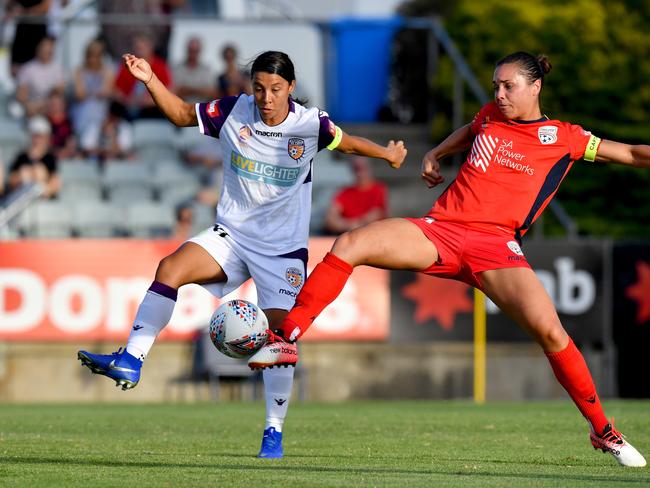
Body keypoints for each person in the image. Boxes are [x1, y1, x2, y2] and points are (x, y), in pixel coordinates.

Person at [260, 51, 649, 468]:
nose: (499, 94)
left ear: (535, 87)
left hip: (496, 246)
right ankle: (287, 337)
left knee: (553, 335)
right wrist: (436, 154)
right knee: (351, 243)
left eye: (509, 86)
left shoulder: (564, 137)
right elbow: (470, 128)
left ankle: (602, 430)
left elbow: (628, 153)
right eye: (495, 85)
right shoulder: (489, 115)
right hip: (438, 230)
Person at [77, 50, 406, 459]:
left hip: (282, 250)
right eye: (259, 88)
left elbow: (348, 144)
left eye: (275, 89)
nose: (266, 98)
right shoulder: (234, 111)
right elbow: (181, 114)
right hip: (231, 234)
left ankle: (273, 431)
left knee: (281, 337)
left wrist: (388, 155)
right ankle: (131, 358)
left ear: (291, 89)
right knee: (171, 267)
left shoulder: (309, 123)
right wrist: (149, 80)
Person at [113, 33, 173, 119]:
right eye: (137, 48)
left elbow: (169, 90)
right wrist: (126, 100)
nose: (139, 51)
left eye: (142, 48)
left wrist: (147, 101)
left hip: (151, 110)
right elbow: (116, 90)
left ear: (150, 47)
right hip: (128, 107)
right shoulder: (127, 65)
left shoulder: (160, 66)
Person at [323, 155, 388, 235]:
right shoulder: (345, 193)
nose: (360, 173)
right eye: (356, 168)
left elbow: (377, 214)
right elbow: (331, 219)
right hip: (349, 237)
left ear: (369, 168)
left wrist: (352, 224)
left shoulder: (378, 190)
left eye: (362, 168)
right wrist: (350, 225)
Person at [70, 39, 114, 144]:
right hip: (82, 111)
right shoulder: (79, 71)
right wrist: (95, 93)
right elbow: (79, 95)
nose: (93, 59)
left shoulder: (107, 71)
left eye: (96, 55)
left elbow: (105, 92)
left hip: (101, 112)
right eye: (90, 55)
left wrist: (89, 93)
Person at [8, 115, 60, 199]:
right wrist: (24, 175)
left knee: (39, 171)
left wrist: (40, 182)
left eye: (41, 136)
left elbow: (55, 183)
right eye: (35, 136)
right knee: (25, 172)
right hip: (22, 196)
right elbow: (11, 181)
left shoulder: (50, 158)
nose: (38, 140)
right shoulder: (21, 157)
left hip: (43, 197)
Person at [14, 36, 65, 118]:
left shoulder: (57, 68)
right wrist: (32, 105)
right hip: (33, 108)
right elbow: (21, 96)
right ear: (38, 49)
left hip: (50, 107)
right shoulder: (28, 68)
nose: (47, 51)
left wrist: (43, 104)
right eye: (44, 48)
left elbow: (59, 91)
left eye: (49, 50)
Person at [173, 37, 215, 104]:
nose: (193, 53)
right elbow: (174, 91)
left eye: (195, 51)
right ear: (187, 50)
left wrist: (188, 90)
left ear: (200, 51)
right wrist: (200, 90)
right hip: (180, 108)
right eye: (191, 50)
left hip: (201, 109)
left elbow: (212, 92)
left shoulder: (207, 69)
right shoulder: (177, 68)